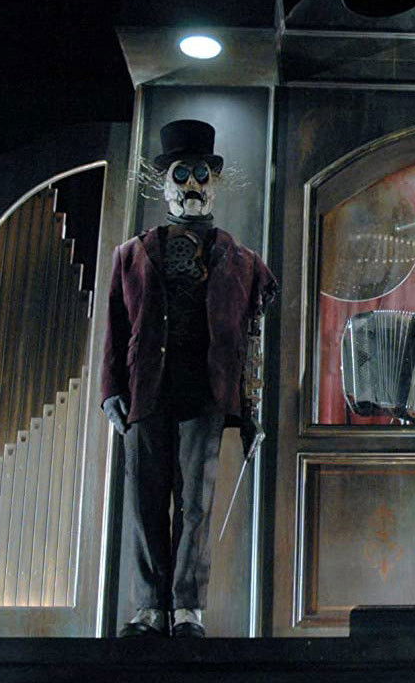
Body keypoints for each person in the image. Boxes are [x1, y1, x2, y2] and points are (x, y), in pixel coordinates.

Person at [101, 119, 276, 637]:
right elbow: (115, 327)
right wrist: (111, 391)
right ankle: (149, 607)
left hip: (206, 389)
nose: (192, 185)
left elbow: (254, 339)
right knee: (146, 499)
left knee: (196, 503)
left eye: (202, 174)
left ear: (215, 182)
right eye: (181, 174)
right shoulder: (131, 255)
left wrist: (252, 409)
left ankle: (186, 609)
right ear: (164, 184)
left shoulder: (244, 261)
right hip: (147, 386)